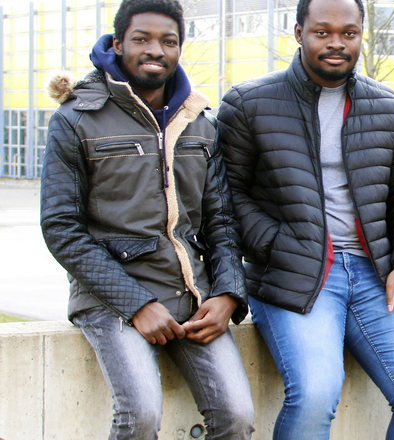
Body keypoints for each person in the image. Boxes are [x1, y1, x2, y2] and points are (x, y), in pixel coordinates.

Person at [216, 0, 394, 438]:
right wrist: (281, 245)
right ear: (299, 31)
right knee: (317, 394)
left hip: (375, 272)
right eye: (323, 32)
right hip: (291, 273)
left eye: (349, 32)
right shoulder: (249, 103)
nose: (336, 43)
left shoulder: (386, 105)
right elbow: (227, 199)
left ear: (363, 34)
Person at [40, 1, 255, 438]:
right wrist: (136, 304)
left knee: (236, 416)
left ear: (179, 48)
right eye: (142, 39)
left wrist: (229, 293)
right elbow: (61, 228)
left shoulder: (200, 122)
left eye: (168, 41)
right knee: (139, 417)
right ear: (118, 44)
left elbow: (221, 222)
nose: (155, 50)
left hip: (190, 295)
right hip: (110, 298)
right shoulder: (76, 118)